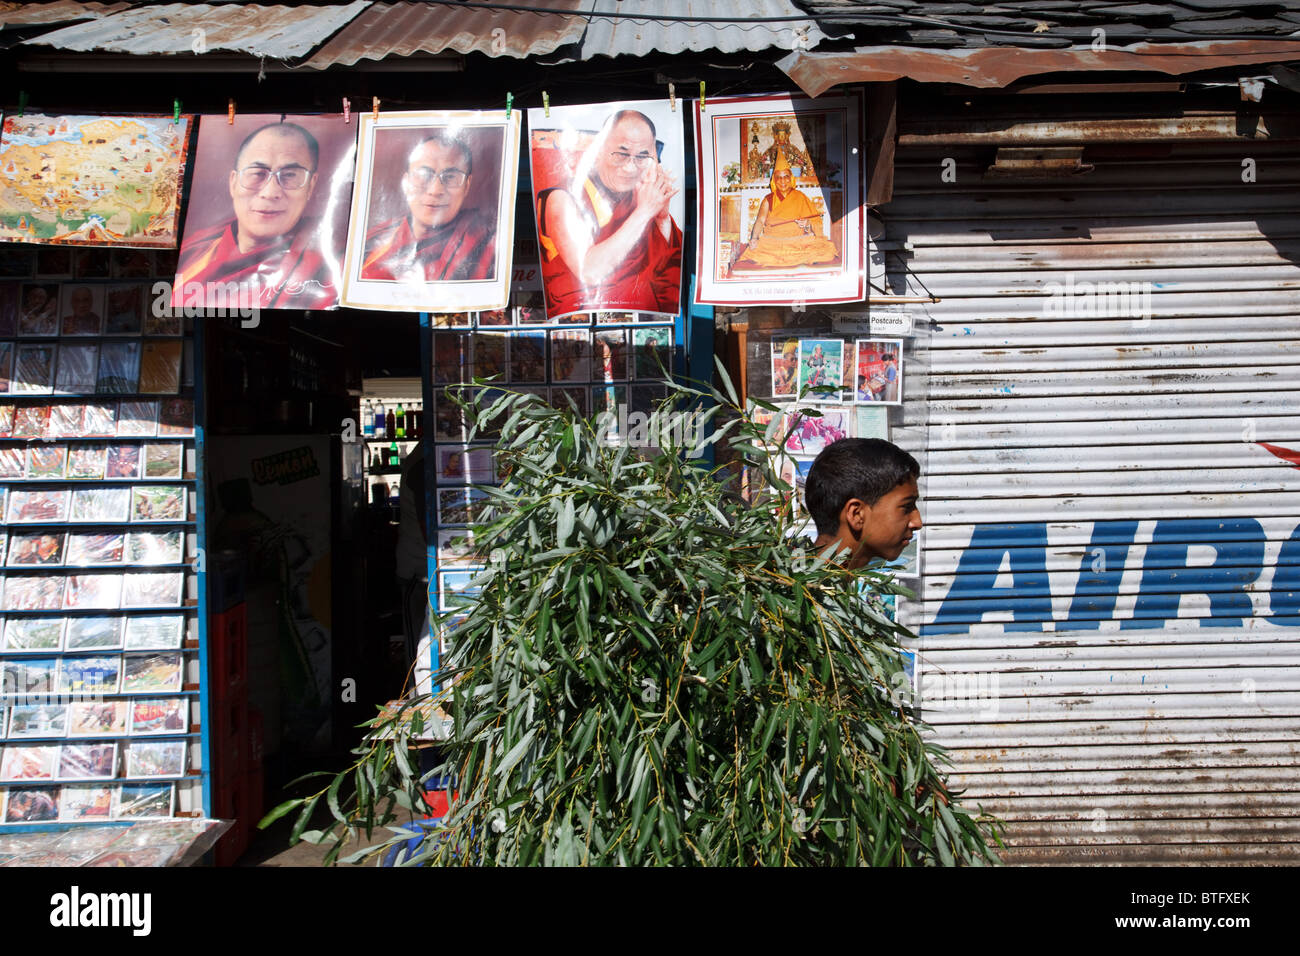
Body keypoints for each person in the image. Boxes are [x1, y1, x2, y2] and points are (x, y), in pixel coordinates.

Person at [174, 121, 336, 310]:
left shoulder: (332, 264)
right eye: (258, 173)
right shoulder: (195, 252)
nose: (270, 192)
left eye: (290, 175)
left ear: (310, 186)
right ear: (233, 183)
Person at [537, 109, 682, 316]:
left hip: (644, 320)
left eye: (642, 157)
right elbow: (589, 270)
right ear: (599, 150)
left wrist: (661, 218)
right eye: (621, 154)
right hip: (584, 322)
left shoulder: (640, 194)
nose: (631, 168)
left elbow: (666, 268)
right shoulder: (562, 199)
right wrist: (644, 212)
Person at [361, 132, 496, 282]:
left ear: (466, 186)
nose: (435, 190)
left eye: (450, 177)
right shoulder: (372, 243)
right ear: (406, 183)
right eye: (424, 174)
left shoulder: (488, 244)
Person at [803, 438, 922, 569]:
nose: (917, 523)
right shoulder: (802, 588)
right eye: (906, 507)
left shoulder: (804, 582)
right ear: (857, 514)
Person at [735, 152, 839, 270]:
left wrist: (807, 224)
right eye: (779, 177)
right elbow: (760, 221)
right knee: (754, 251)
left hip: (798, 242)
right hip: (773, 242)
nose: (783, 181)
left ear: (791, 178)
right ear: (774, 180)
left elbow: (816, 221)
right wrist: (754, 238)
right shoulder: (768, 199)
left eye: (786, 177)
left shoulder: (800, 196)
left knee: (827, 250)